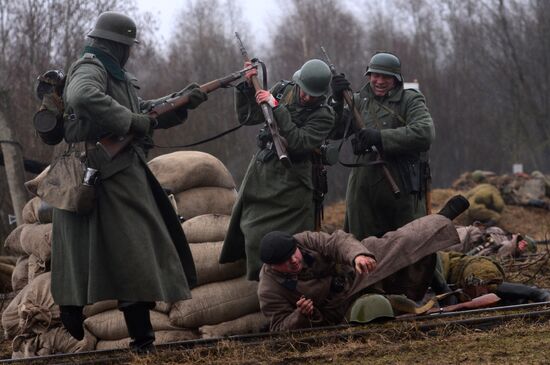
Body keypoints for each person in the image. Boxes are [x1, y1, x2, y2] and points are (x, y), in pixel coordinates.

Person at [51, 11, 207, 352]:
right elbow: (82, 97)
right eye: (129, 46)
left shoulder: (114, 73)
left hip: (119, 170)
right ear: (118, 45)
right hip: (101, 171)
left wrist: (180, 102)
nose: (131, 52)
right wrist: (131, 122)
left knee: (134, 254)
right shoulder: (91, 67)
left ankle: (142, 340)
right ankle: (79, 311)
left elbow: (142, 112)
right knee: (132, 249)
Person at [257, 195, 468, 331]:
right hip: (336, 310)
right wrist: (300, 315)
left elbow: (336, 242)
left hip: (352, 272)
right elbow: (278, 328)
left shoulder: (303, 241)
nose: (293, 260)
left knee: (393, 242)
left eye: (292, 253)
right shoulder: (269, 289)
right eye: (284, 262)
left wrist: (357, 255)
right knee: (378, 307)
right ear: (272, 266)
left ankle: (438, 222)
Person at [330, 51, 436, 301]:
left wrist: (380, 138)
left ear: (396, 79)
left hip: (400, 182)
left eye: (385, 77)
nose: (378, 81)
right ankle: (368, 293)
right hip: (364, 184)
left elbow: (424, 133)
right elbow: (333, 131)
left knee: (410, 241)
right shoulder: (357, 101)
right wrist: (336, 101)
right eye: (374, 75)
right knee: (363, 240)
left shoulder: (410, 100)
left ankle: (415, 291)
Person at [219, 59, 335, 280]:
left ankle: (289, 288)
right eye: (305, 91)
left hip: (294, 182)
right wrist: (246, 87)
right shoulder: (283, 90)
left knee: (292, 243)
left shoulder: (325, 115)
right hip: (264, 172)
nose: (307, 97)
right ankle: (262, 283)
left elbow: (299, 142)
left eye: (314, 95)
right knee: (252, 232)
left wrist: (277, 108)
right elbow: (249, 116)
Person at [432, 251, 550, 305]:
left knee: (483, 283)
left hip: (470, 266)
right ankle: (521, 299)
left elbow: (442, 287)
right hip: (459, 282)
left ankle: (539, 294)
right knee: (484, 299)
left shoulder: (425, 259)